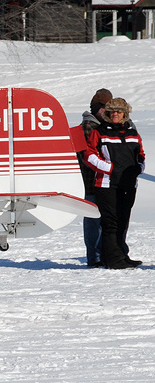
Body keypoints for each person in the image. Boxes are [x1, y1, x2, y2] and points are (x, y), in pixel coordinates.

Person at [84, 97, 145, 270]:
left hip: (128, 184)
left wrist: (138, 168)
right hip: (106, 184)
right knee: (110, 222)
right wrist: (109, 168)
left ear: (125, 113)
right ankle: (112, 259)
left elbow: (141, 155)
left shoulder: (133, 133)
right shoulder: (100, 131)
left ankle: (121, 255)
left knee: (123, 221)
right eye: (112, 111)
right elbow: (89, 155)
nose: (115, 114)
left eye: (119, 111)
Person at [78, 89, 111, 266]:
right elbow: (88, 156)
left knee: (104, 219)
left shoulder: (102, 126)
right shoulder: (88, 127)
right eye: (105, 108)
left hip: (105, 181)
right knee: (93, 220)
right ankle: (94, 256)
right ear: (97, 108)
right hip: (90, 181)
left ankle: (103, 253)